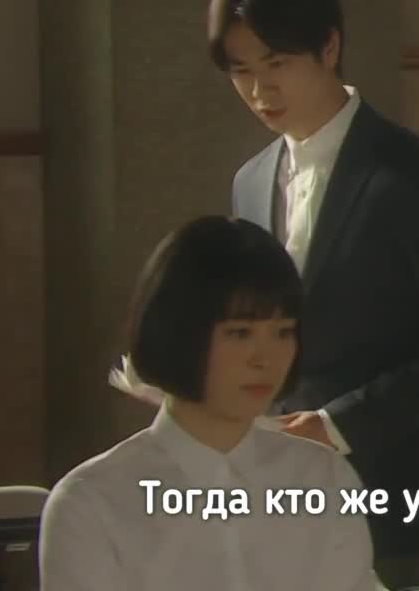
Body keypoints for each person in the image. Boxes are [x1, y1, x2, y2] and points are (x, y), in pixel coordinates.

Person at [208, 0, 419, 589]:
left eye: (276, 64)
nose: (260, 91)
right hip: (274, 496)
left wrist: (337, 425)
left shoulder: (413, 174)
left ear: (329, 47)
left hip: (388, 492)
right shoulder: (250, 181)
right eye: (242, 71)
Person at [39, 215, 377, 591]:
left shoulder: (324, 478)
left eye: (283, 332)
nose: (265, 358)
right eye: (240, 333)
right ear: (179, 333)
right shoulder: (92, 502)